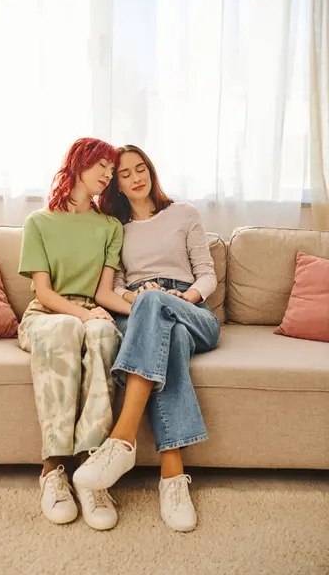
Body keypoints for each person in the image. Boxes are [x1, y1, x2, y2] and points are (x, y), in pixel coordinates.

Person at [73, 144, 220, 532]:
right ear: (117, 186)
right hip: (142, 312)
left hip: (191, 310)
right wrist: (137, 299)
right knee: (165, 336)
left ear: (152, 172)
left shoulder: (184, 214)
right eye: (125, 174)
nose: (137, 177)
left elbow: (207, 274)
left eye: (142, 169)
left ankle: (121, 440)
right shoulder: (116, 229)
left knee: (161, 308)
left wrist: (183, 296)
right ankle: (173, 478)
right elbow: (117, 285)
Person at [18, 137, 131, 531]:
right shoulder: (38, 222)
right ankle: (53, 469)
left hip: (92, 310)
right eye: (102, 165)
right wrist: (81, 315)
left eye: (112, 171)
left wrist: (146, 310)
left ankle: (91, 471)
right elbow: (44, 293)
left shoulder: (110, 227)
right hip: (49, 314)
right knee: (70, 326)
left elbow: (103, 293)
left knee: (104, 334)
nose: (107, 175)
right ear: (79, 162)